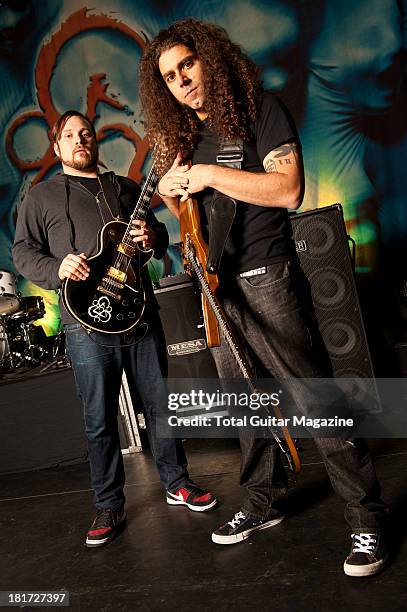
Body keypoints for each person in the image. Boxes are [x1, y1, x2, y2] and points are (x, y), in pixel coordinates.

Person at [139, 19, 389, 577]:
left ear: (209, 59)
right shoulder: (181, 138)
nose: (182, 81)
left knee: (314, 397)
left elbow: (288, 189)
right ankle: (261, 500)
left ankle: (367, 518)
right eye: (170, 77)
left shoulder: (259, 111)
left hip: (266, 276)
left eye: (187, 66)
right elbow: (171, 195)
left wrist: (206, 174)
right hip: (214, 286)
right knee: (246, 407)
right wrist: (170, 186)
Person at [12, 110, 217, 548]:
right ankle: (108, 503)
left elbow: (160, 234)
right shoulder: (41, 197)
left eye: (85, 133)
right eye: (69, 135)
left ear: (95, 140)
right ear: (57, 147)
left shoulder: (123, 188)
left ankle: (177, 481)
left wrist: (152, 239)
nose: (79, 139)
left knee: (160, 402)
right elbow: (24, 254)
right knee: (99, 418)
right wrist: (56, 265)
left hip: (139, 315)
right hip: (84, 326)